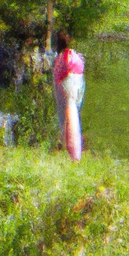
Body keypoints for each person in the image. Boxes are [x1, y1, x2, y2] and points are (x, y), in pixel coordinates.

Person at [52, 30, 85, 161]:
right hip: (77, 76)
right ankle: (74, 154)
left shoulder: (60, 59)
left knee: (68, 116)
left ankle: (74, 156)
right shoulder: (76, 56)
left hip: (66, 79)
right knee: (73, 113)